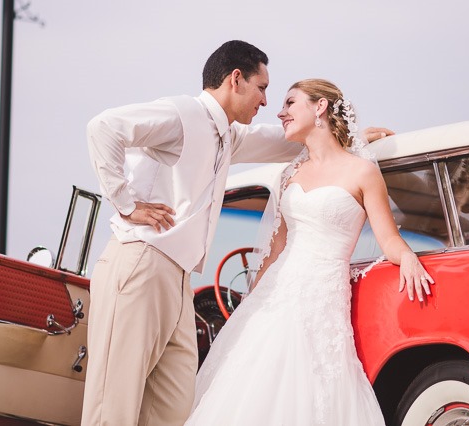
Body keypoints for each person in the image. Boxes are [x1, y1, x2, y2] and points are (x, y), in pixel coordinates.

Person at [185, 79, 435, 426]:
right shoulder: (290, 173)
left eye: (290, 103)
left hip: (322, 298)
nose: (279, 111)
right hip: (272, 299)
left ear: (320, 107)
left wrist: (407, 256)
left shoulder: (362, 171)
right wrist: (247, 308)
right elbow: (275, 250)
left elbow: (389, 238)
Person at [81, 40, 303, 426]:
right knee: (112, 407)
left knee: (174, 408)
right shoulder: (183, 113)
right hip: (140, 264)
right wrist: (127, 203)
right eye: (262, 88)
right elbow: (103, 127)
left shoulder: (227, 135)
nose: (266, 101)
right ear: (236, 79)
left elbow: (277, 142)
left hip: (178, 279)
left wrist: (345, 136)